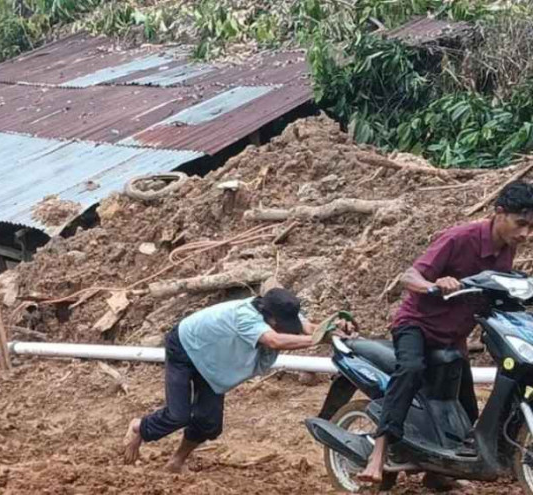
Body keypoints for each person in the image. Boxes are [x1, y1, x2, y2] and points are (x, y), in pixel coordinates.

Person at [359, 181, 533, 486]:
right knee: (410, 370)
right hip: (417, 325)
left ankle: (437, 475)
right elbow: (409, 276)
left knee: (466, 407)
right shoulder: (460, 237)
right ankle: (379, 452)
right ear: (499, 213)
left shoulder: (507, 249)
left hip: (454, 336)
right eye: (521, 224)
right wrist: (435, 286)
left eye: (531, 228)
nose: (525, 234)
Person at [122, 288, 349, 472]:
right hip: (185, 348)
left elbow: (309, 327)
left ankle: (176, 461)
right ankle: (140, 427)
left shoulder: (279, 310)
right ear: (269, 316)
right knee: (178, 415)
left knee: (210, 424)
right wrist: (315, 341)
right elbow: (274, 341)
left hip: (213, 360)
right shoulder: (245, 317)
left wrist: (332, 331)